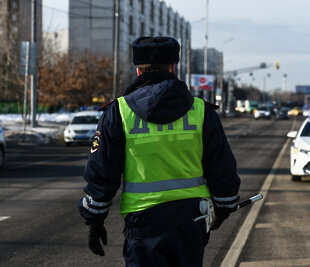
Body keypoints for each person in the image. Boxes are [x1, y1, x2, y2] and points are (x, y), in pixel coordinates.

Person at [78, 36, 241, 266]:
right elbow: (221, 167)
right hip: (190, 220)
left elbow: (102, 173)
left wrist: (94, 219)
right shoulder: (201, 111)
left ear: (138, 71)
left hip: (143, 222)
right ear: (174, 67)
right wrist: (223, 208)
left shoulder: (119, 112)